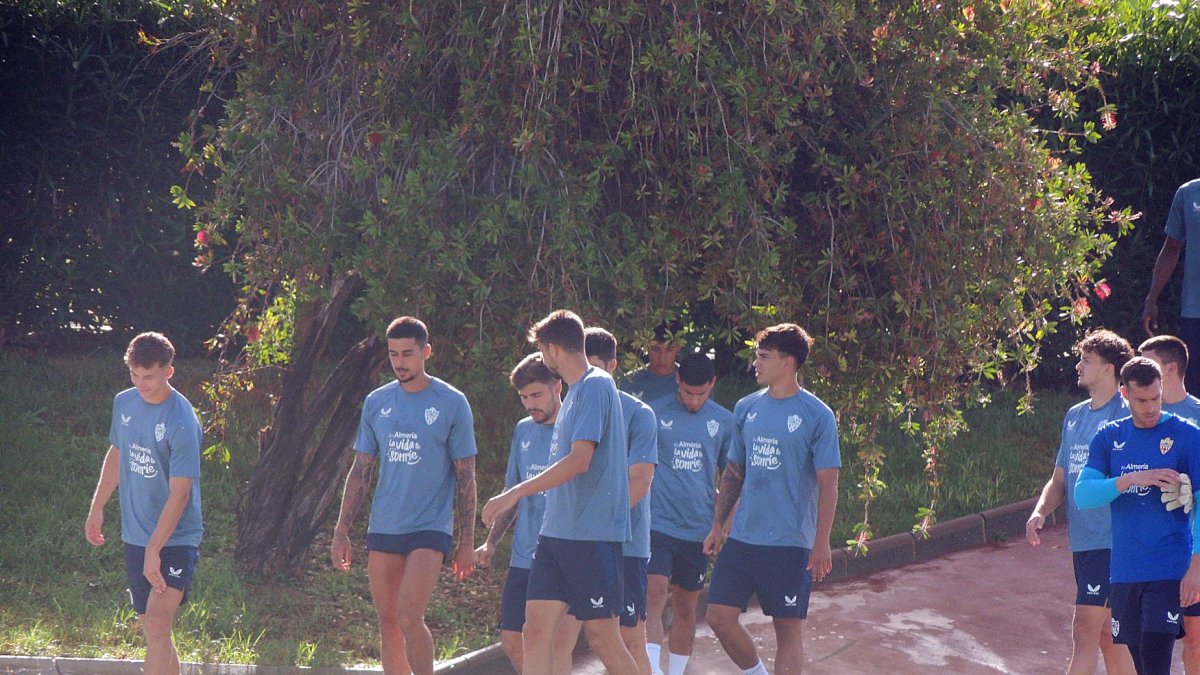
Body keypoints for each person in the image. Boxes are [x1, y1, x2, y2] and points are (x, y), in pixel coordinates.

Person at [482, 310, 639, 675]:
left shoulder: (597, 385)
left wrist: (514, 493)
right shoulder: (573, 394)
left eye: (542, 351)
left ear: (553, 349)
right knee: (533, 632)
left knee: (603, 639)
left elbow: (579, 460)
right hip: (554, 537)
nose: (542, 358)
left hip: (592, 537)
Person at [330, 317, 478, 675]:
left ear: (426, 352)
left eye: (408, 354)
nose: (400, 362)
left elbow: (466, 476)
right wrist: (341, 531)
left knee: (410, 615)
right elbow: (361, 469)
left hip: (429, 527)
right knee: (388, 620)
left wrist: (467, 541)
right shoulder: (377, 402)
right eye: (394, 354)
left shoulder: (452, 402)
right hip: (385, 525)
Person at [703, 323, 840, 675]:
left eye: (764, 357)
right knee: (718, 616)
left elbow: (829, 483)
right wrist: (718, 524)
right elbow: (735, 472)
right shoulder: (746, 407)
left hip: (789, 541)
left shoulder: (817, 416)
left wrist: (821, 541)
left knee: (787, 630)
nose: (756, 364)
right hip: (744, 537)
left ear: (788, 362)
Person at [85, 332, 203, 675]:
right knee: (155, 630)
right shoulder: (124, 403)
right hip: (135, 533)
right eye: (134, 375)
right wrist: (97, 508)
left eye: (148, 376)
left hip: (176, 538)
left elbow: (180, 493)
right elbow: (117, 452)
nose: (140, 384)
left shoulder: (182, 420)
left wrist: (156, 547)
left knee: (156, 622)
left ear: (168, 372)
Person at [1076, 357, 1200, 675]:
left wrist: (1197, 565)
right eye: (1142, 400)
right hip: (1126, 571)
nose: (1150, 408)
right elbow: (1083, 495)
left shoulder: (1187, 436)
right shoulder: (1109, 438)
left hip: (1169, 566)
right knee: (1142, 662)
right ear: (1124, 395)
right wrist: (1130, 479)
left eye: (1156, 399)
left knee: (1155, 654)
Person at [1025, 329, 1136, 675]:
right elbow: (1060, 480)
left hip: (1114, 542)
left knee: (1085, 630)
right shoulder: (1075, 416)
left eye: (1086, 361)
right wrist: (1040, 510)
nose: (1078, 366)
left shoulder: (1127, 416)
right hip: (1085, 543)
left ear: (1109, 368)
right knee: (1109, 635)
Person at [475, 353, 577, 674]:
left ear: (557, 386)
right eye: (524, 397)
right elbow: (513, 494)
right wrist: (491, 544)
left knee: (558, 643)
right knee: (511, 638)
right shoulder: (523, 431)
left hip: (565, 553)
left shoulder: (576, 429)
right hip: (524, 556)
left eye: (536, 395)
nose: (530, 403)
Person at [646, 351, 733, 675]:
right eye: (687, 392)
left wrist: (721, 525)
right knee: (653, 597)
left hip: (698, 528)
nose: (694, 401)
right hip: (657, 523)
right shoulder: (652, 415)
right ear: (677, 380)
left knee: (686, 606)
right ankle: (652, 670)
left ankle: (676, 671)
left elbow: (732, 477)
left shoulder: (724, 420)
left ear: (712, 384)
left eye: (701, 394)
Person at [586, 326, 659, 675]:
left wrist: (601, 523)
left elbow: (640, 480)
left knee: (630, 638)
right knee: (571, 634)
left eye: (596, 366)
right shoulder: (567, 409)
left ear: (613, 365)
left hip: (625, 545)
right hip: (576, 544)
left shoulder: (639, 414)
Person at [1140, 335, 1200, 673]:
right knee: (1144, 643)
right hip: (1147, 554)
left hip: (1191, 551)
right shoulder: (1137, 416)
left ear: (1171, 368)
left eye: (1149, 363)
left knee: (1195, 640)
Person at [1142, 177, 1200, 394]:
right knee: (1193, 391)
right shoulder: (1189, 193)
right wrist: (1151, 299)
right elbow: (1171, 247)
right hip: (1195, 314)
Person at [621, 323, 683, 405]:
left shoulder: (689, 382)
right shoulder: (628, 382)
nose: (662, 358)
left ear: (679, 347)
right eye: (655, 349)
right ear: (646, 347)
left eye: (669, 349)